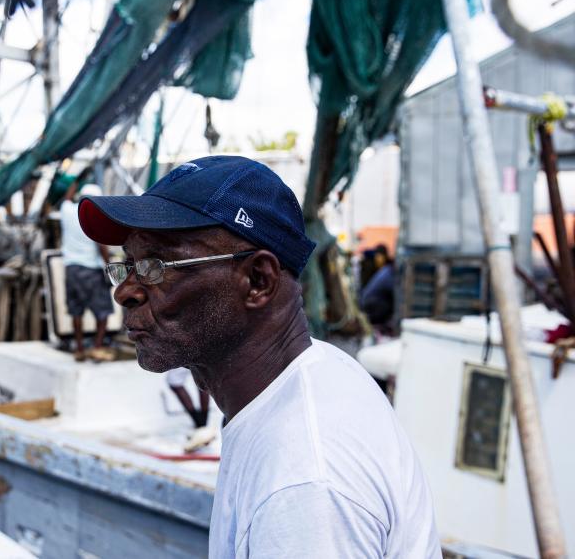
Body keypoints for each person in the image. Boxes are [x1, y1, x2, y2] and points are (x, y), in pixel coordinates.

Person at [78, 155, 439, 558]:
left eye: (156, 266)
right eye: (127, 265)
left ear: (257, 281)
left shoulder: (304, 482)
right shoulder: (312, 377)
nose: (124, 291)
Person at [59, 180, 113, 361]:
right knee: (103, 311)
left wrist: (73, 182)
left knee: (76, 311)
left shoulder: (67, 211)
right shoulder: (95, 215)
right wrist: (109, 266)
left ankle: (80, 349)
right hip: (91, 270)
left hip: (71, 269)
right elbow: (101, 244)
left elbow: (66, 199)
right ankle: (97, 347)